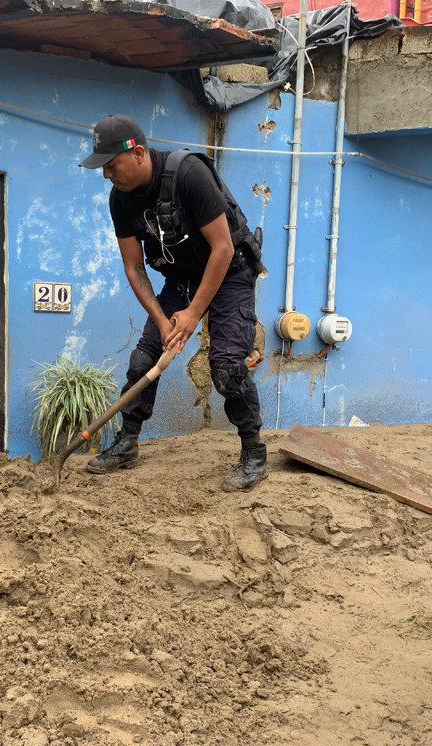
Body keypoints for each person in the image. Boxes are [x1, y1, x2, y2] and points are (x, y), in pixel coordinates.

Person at [79, 114, 267, 491]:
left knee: (227, 369)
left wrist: (193, 314)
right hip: (181, 279)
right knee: (144, 359)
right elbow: (134, 268)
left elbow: (223, 248)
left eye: (112, 165)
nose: (107, 175)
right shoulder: (120, 200)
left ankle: (253, 451)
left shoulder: (187, 173)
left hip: (229, 270)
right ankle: (127, 441)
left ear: (138, 154)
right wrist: (165, 323)